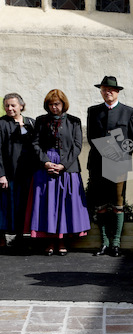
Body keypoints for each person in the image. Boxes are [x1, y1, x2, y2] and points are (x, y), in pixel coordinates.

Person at [27, 90, 91, 255]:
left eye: (57, 104)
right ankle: (49, 241)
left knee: (64, 204)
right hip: (45, 167)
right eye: (51, 104)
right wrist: (45, 162)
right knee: (48, 205)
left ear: (63, 104)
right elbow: (35, 143)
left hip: (68, 168)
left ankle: (62, 240)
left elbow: (77, 146)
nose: (54, 107)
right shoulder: (41, 121)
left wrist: (63, 165)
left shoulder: (74, 121)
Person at [87, 76, 133, 257]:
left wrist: (119, 156)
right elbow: (92, 136)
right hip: (98, 163)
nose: (107, 92)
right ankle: (104, 242)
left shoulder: (128, 111)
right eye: (104, 89)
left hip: (119, 163)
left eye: (111, 90)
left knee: (117, 203)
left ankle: (115, 242)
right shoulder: (93, 111)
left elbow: (132, 139)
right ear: (101, 92)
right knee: (100, 204)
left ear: (117, 92)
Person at [0, 93, 36, 247]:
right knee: (6, 207)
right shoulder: (2, 124)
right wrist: (1, 174)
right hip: (9, 174)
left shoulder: (32, 123)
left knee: (24, 206)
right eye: (7, 105)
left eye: (13, 105)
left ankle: (22, 237)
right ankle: (3, 238)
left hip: (28, 174)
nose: (9, 108)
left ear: (21, 106)